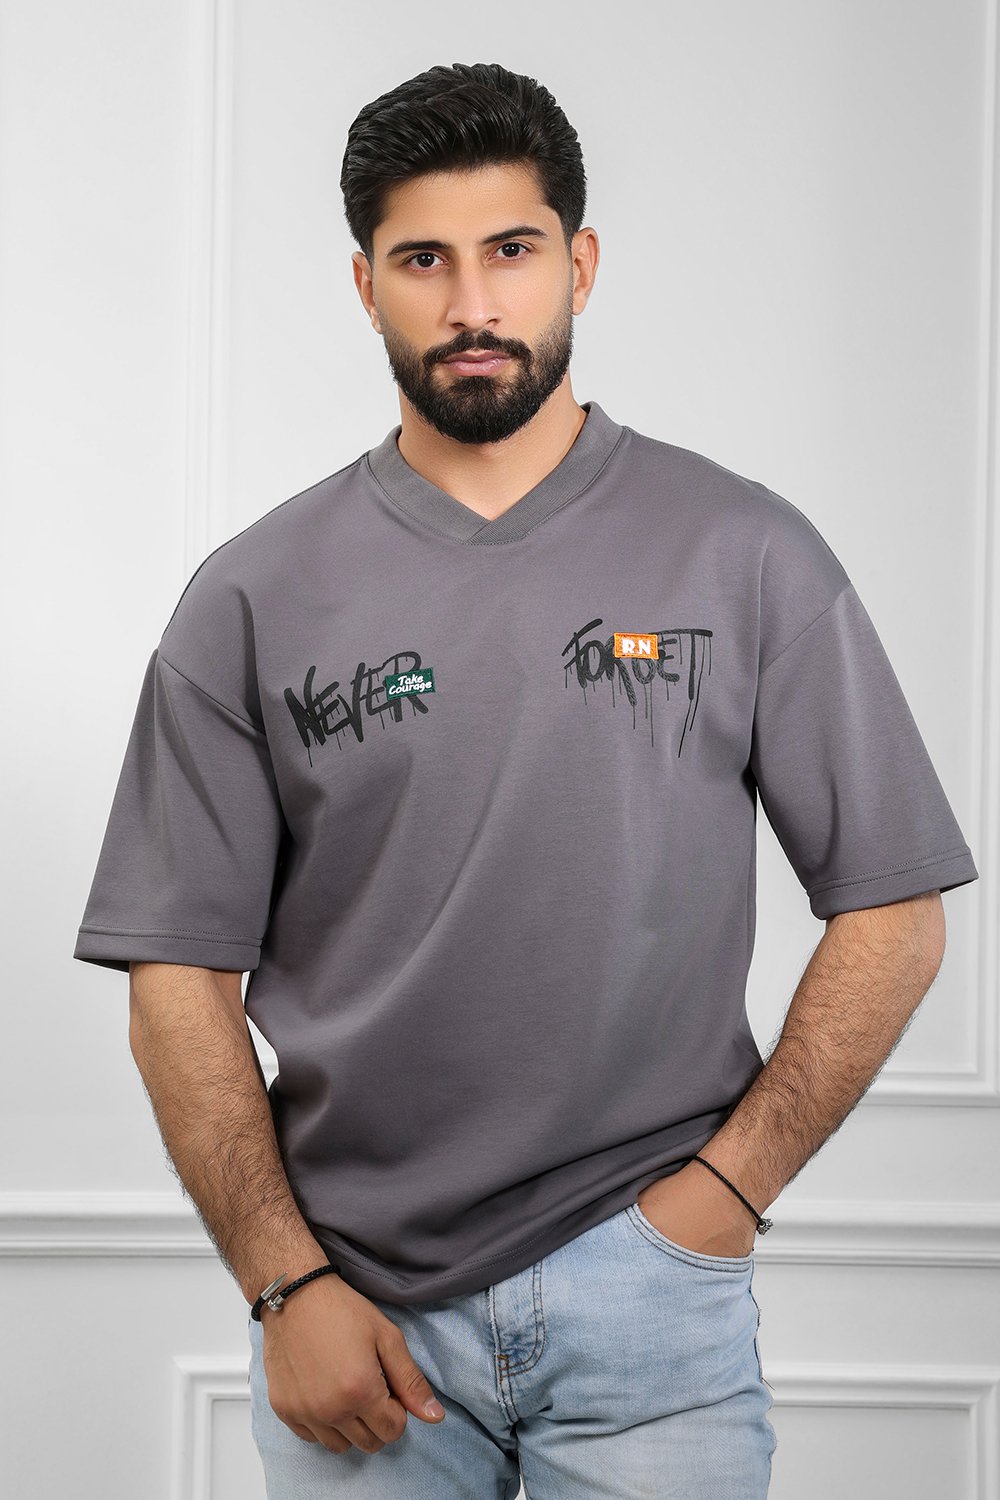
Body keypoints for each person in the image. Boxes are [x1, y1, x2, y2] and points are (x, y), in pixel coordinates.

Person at [73, 59, 979, 1500]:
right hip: (356, 1315)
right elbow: (176, 980)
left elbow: (895, 910)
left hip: (652, 1305)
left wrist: (723, 1198)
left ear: (581, 264)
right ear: (365, 284)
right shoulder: (251, 597)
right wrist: (283, 1283)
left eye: (512, 250)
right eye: (424, 260)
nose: (473, 304)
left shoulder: (745, 554)